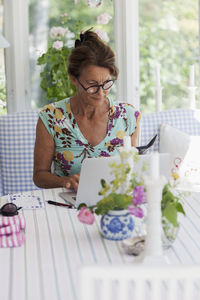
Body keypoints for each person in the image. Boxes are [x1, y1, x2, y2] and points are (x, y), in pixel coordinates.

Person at [33, 29, 141, 191]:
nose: (101, 93)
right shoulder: (51, 118)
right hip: (67, 204)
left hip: (114, 203)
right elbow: (39, 176)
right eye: (92, 85)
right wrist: (66, 181)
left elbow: (133, 170)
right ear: (73, 78)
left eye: (106, 83)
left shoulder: (128, 117)